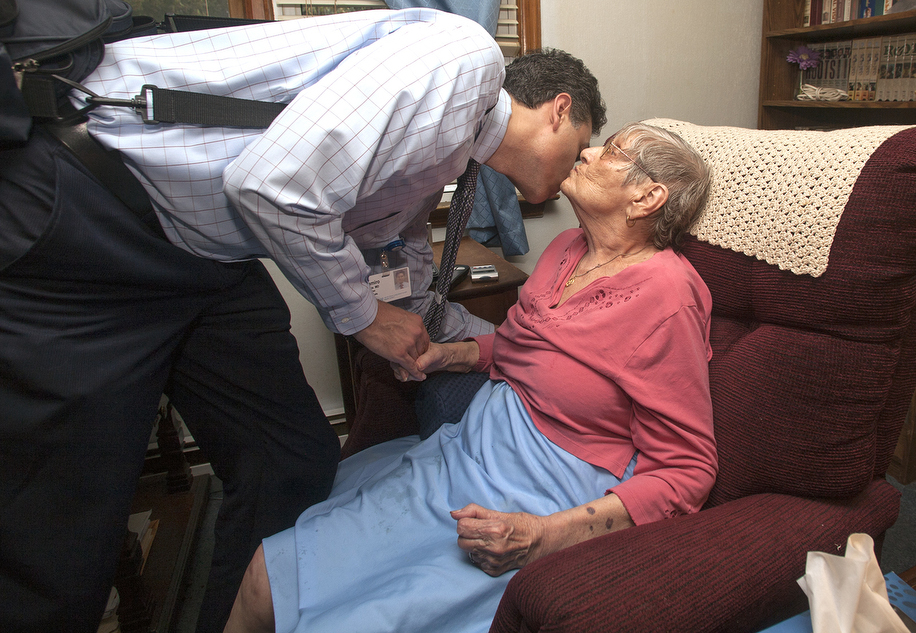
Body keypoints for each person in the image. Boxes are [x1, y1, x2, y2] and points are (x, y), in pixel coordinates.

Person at [0, 8, 605, 633]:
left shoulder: (442, 161)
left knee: (293, 462)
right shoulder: (462, 60)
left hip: (205, 257)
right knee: (44, 532)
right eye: (580, 149)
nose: (578, 170)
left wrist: (513, 344)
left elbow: (407, 275)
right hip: (89, 204)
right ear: (558, 111)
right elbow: (272, 185)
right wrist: (366, 318)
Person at [223, 122, 718, 633]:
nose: (588, 152)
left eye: (612, 151)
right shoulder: (569, 247)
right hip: (471, 449)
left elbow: (687, 470)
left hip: (543, 491)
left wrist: (541, 536)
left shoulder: (668, 297)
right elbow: (523, 350)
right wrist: (445, 355)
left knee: (339, 611)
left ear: (647, 197)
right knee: (266, 575)